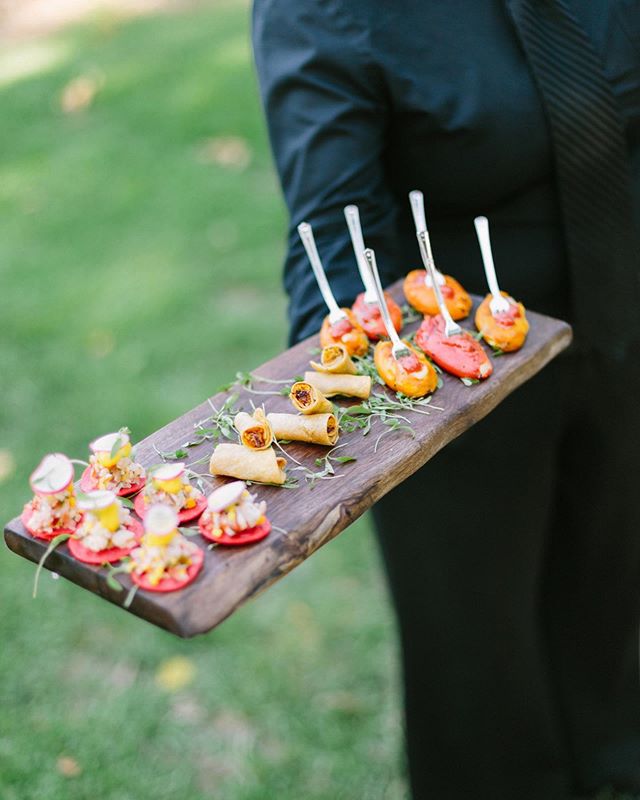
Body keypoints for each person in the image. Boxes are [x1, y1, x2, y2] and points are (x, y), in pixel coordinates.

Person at [251, 1, 640, 798]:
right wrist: (354, 393)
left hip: (627, 332)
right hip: (459, 389)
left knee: (612, 596)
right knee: (478, 662)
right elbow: (336, 227)